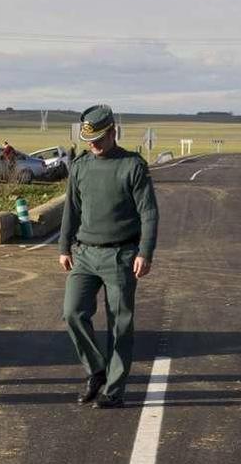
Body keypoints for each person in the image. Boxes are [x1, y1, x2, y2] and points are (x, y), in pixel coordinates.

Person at [58, 104, 158, 409]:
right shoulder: (81, 166)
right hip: (85, 254)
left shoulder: (133, 166)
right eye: (89, 140)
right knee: (72, 313)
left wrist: (145, 251)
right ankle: (97, 370)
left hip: (121, 255)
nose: (94, 145)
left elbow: (149, 212)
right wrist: (63, 247)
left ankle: (113, 392)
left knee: (119, 325)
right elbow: (71, 209)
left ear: (113, 131)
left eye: (99, 138)